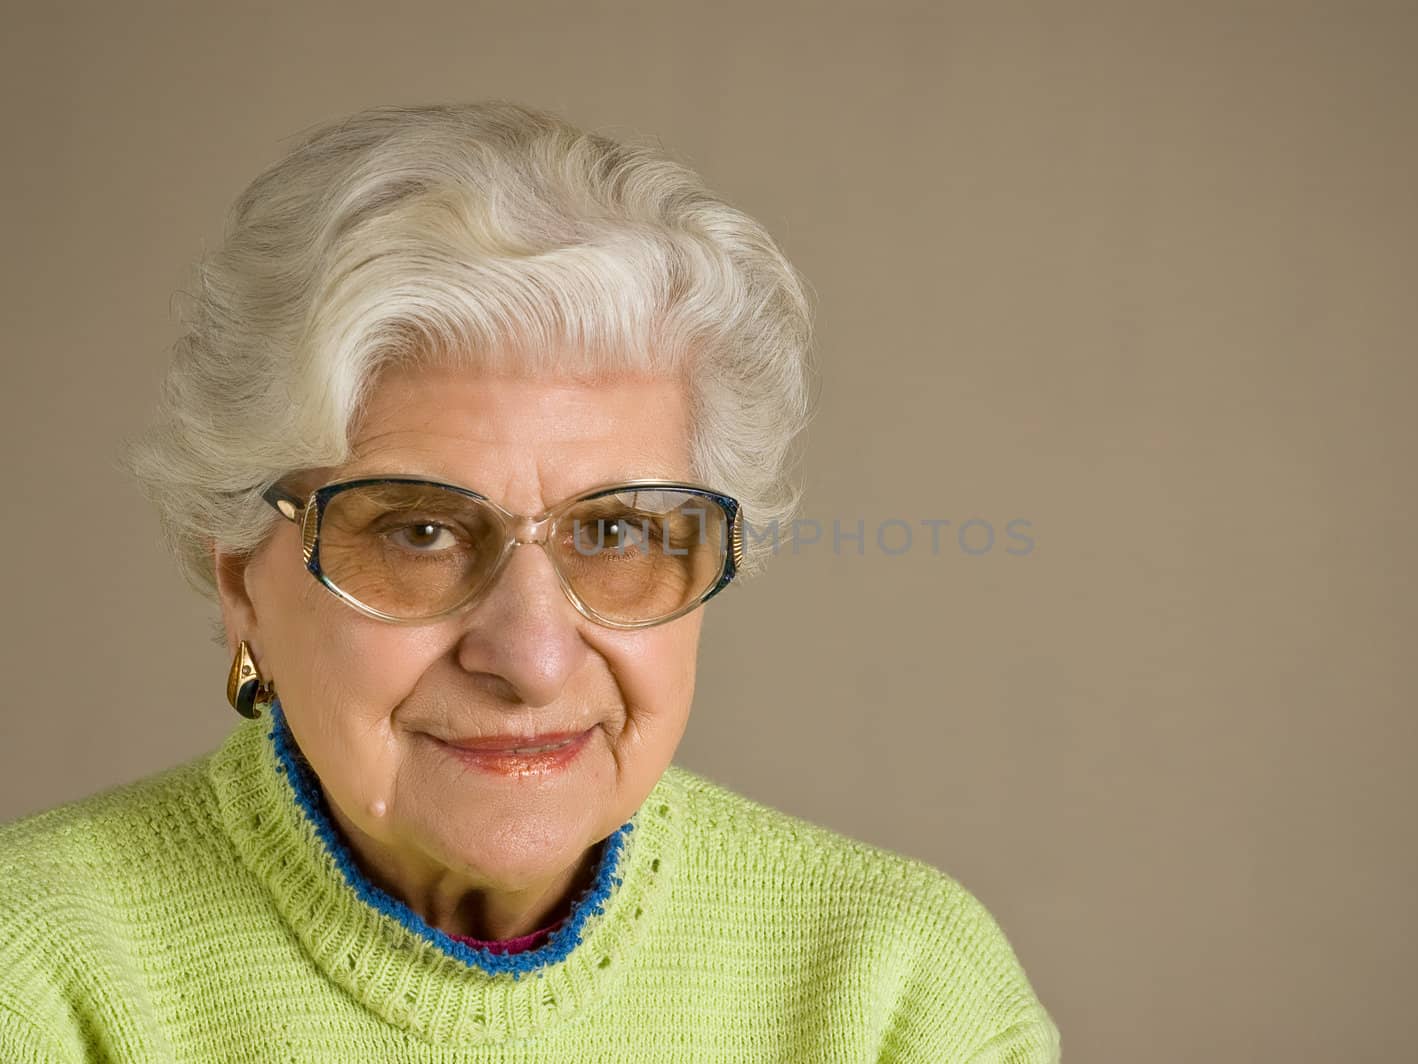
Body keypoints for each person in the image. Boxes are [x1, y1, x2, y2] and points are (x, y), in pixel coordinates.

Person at [0, 102, 1059, 1062]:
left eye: (615, 528)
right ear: (241, 580)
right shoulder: (40, 974)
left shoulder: (897, 987)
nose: (532, 654)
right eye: (418, 529)